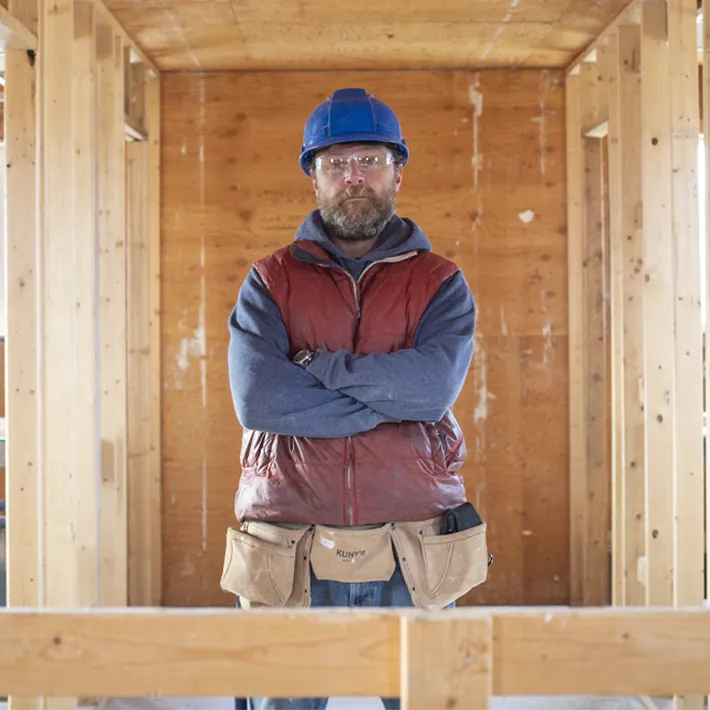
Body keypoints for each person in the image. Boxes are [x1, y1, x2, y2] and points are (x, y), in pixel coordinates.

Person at [226, 88, 485, 710]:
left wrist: (317, 366)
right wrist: (386, 398)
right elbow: (260, 401)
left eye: (368, 160)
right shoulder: (270, 280)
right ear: (313, 175)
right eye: (336, 163)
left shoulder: (440, 281)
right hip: (288, 543)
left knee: (430, 699)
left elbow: (429, 392)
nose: (353, 177)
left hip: (414, 543)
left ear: (397, 168)